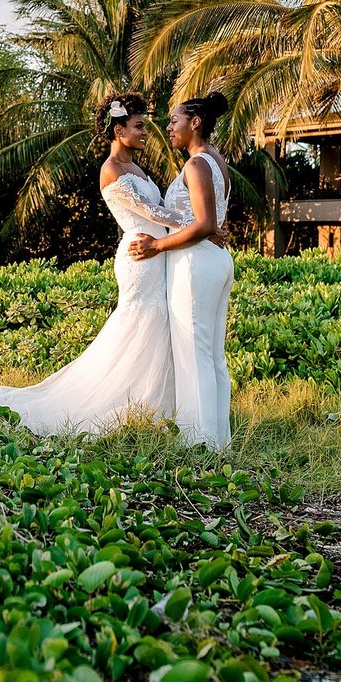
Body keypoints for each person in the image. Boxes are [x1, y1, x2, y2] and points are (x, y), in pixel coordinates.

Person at [0, 93, 184, 434]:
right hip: (140, 253)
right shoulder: (112, 170)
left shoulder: (137, 168)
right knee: (143, 320)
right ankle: (122, 400)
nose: (146, 132)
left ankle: (156, 403)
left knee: (156, 322)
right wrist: (199, 225)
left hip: (157, 250)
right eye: (139, 126)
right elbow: (151, 213)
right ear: (119, 131)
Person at [130, 94, 233, 450]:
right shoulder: (217, 162)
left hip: (195, 264)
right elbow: (214, 218)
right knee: (212, 354)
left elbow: (203, 223)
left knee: (195, 353)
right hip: (214, 260)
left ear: (195, 122)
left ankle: (200, 442)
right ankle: (219, 441)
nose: (169, 128)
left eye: (175, 121)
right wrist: (210, 227)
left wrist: (155, 246)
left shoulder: (196, 165)